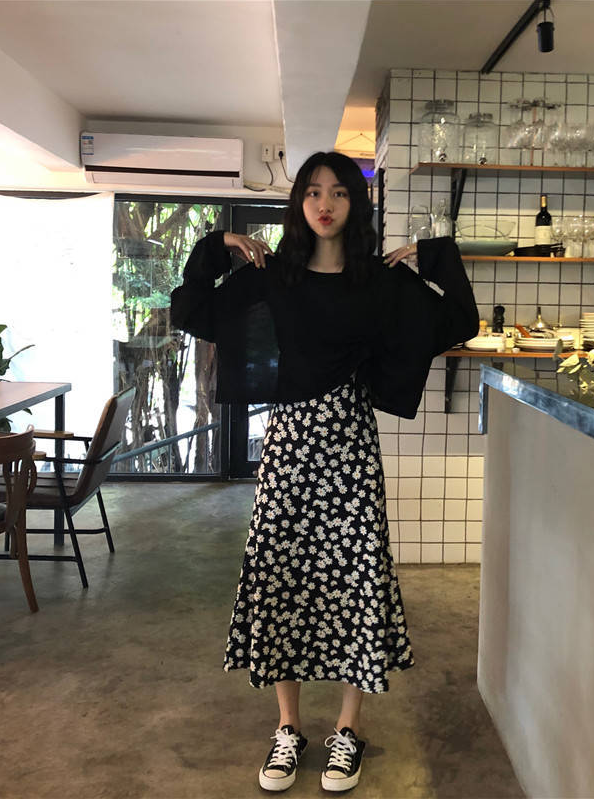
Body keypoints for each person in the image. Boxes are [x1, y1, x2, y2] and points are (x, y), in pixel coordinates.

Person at [170, 151, 478, 793]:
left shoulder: (379, 281)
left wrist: (433, 256)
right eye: (312, 192)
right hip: (288, 448)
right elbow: (191, 311)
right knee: (281, 577)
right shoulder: (274, 277)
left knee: (354, 580)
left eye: (338, 192)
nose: (325, 204)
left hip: (351, 449)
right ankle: (288, 727)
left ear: (354, 204)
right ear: (298, 204)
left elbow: (459, 321)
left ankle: (347, 729)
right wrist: (216, 245)